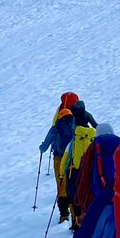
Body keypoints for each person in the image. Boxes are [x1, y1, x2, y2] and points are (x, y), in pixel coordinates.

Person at [39, 94, 78, 222]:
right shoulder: (74, 125)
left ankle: (63, 215)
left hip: (58, 159)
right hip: (72, 158)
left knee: (61, 185)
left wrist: (42, 147)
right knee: (72, 185)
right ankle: (75, 217)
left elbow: (44, 146)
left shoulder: (55, 127)